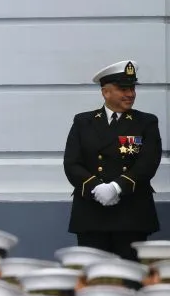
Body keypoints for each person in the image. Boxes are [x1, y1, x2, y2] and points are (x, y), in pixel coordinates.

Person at [64, 60, 161, 260]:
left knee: (131, 278)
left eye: (132, 88)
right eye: (123, 88)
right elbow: (72, 163)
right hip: (92, 211)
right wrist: (96, 187)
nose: (131, 94)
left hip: (131, 212)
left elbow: (147, 163)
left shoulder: (146, 122)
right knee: (93, 277)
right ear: (105, 92)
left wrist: (116, 188)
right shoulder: (83, 122)